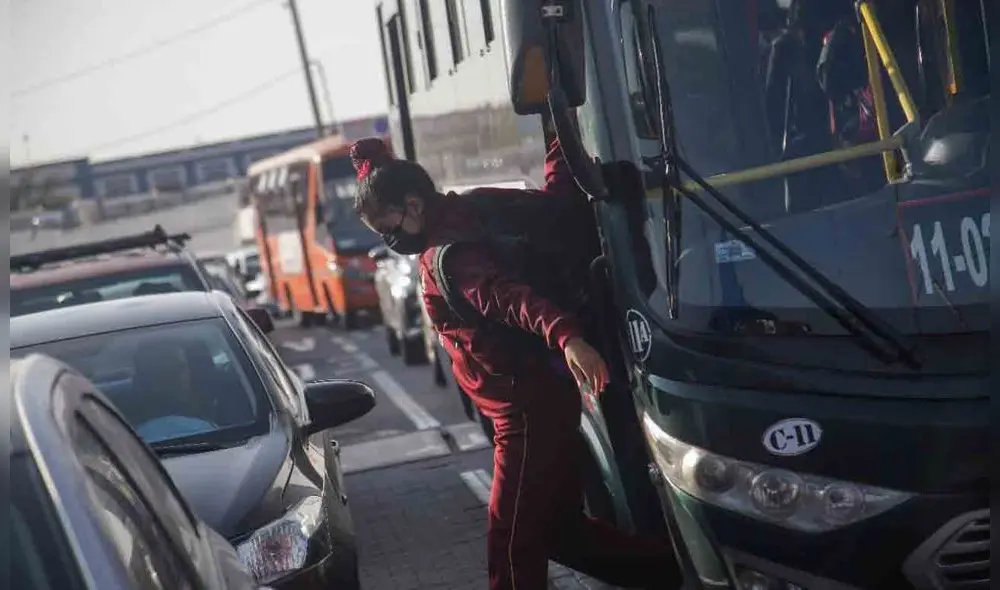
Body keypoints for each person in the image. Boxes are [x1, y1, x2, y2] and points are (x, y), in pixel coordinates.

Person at [351, 131, 682, 590]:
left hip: (523, 412)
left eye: (388, 227)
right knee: (559, 531)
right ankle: (671, 575)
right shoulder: (482, 205)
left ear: (414, 204)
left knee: (510, 543)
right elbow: (556, 204)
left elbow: (505, 298)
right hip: (545, 394)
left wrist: (565, 335)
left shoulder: (445, 257)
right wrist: (559, 128)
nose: (391, 239)